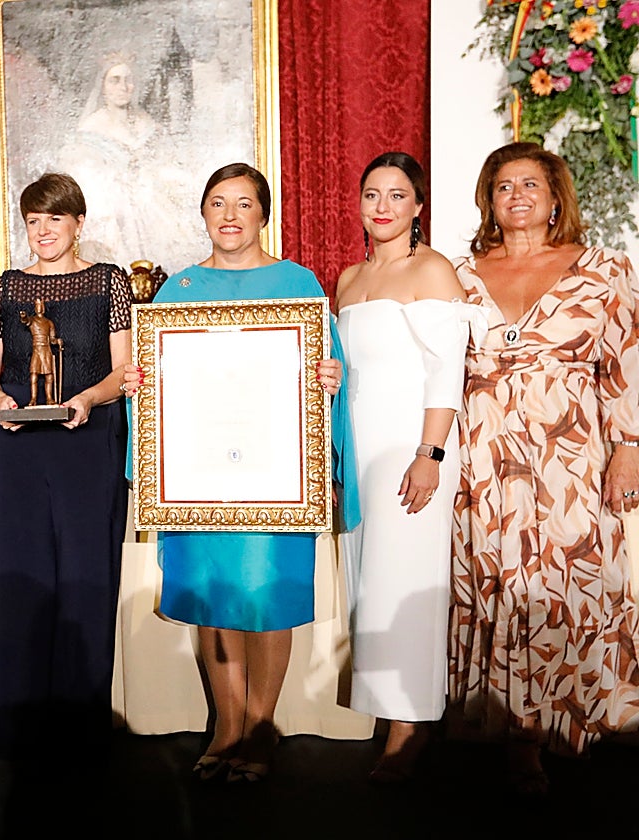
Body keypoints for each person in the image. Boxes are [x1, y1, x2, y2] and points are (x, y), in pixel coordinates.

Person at [123, 162, 359, 784]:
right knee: (213, 599)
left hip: (276, 474)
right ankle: (226, 729)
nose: (230, 216)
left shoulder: (297, 282)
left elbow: (325, 367)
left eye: (244, 203)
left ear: (263, 214)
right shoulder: (178, 290)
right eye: (218, 203)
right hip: (200, 479)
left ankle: (259, 731)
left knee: (266, 597)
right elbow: (159, 377)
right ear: (203, 213)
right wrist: (141, 384)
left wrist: (330, 376)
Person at [448, 141, 639, 795]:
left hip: (570, 458)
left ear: (556, 197)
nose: (518, 196)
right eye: (504, 186)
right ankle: (518, 735)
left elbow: (624, 361)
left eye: (531, 184)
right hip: (484, 459)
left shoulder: (603, 270)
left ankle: (574, 718)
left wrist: (629, 446)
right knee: (502, 583)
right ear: (489, 201)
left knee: (562, 583)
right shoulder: (459, 275)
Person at [0, 172, 135, 760]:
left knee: (88, 581)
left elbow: (124, 370)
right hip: (16, 446)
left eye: (55, 219)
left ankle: (81, 732)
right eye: (34, 221)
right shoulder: (7, 288)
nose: (43, 231)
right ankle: (24, 729)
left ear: (78, 223)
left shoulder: (108, 281)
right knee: (22, 582)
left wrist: (88, 398)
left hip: (87, 443)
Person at [334, 152, 477, 783]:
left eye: (397, 195)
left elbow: (447, 371)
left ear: (418, 205)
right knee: (371, 580)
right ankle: (385, 708)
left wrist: (430, 454)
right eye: (372, 194)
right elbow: (351, 370)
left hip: (414, 448)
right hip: (361, 446)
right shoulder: (348, 278)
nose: (383, 206)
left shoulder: (433, 269)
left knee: (405, 580)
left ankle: (412, 725)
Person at [57, 53, 201, 273]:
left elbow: (162, 162)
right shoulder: (91, 128)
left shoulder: (146, 122)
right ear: (103, 86)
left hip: (149, 200)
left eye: (128, 80)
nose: (123, 87)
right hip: (112, 208)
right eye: (115, 80)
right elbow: (84, 178)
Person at [19, 297, 62, 405]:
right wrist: (23, 316)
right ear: (35, 307)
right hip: (36, 350)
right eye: (38, 305)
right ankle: (33, 398)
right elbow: (26, 321)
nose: (40, 308)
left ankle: (49, 398)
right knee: (34, 375)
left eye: (41, 305)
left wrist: (57, 341)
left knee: (49, 375)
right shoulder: (33, 320)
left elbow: (52, 339)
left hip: (46, 350)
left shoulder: (49, 323)